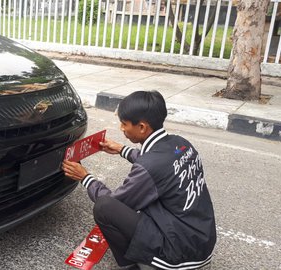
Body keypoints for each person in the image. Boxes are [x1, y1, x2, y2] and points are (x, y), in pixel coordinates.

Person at [62, 91, 216, 270]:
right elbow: (157, 162)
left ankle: (132, 265)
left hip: (179, 254)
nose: (121, 128)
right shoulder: (180, 143)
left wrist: (85, 177)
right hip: (201, 242)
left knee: (104, 207)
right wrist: (122, 150)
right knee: (146, 197)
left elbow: (116, 202)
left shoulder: (150, 166)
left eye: (124, 124)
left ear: (142, 127)